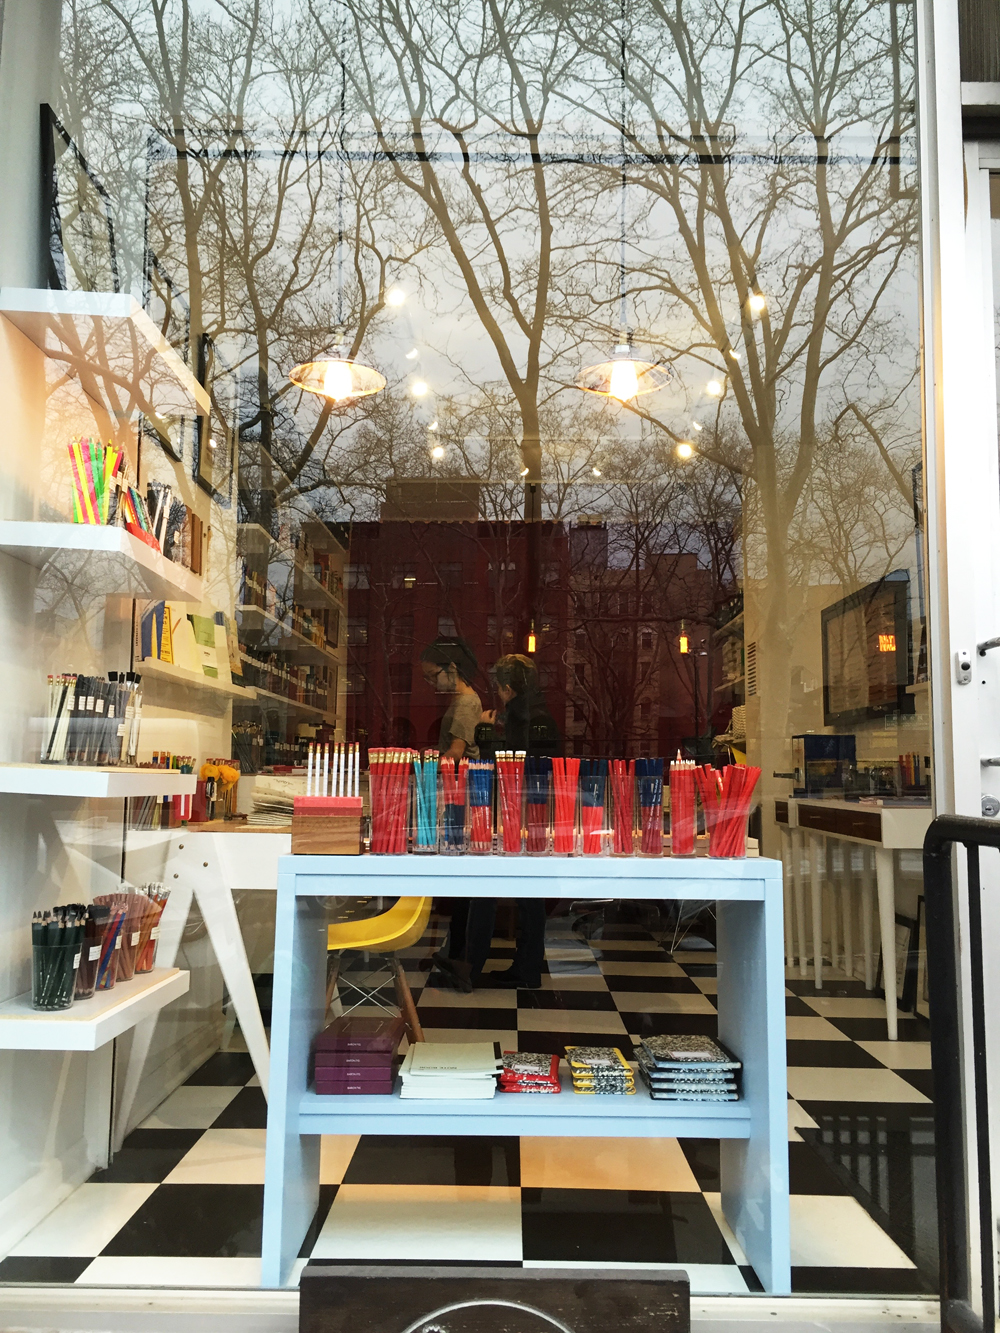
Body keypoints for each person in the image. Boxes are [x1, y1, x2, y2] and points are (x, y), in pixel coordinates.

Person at [435, 653, 559, 992]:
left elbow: (505, 765)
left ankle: (469, 967)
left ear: (507, 687)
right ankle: (524, 968)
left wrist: (485, 731)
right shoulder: (540, 715)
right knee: (529, 894)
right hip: (533, 813)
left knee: (485, 887)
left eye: (500, 687)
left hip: (511, 813)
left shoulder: (521, 718)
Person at [419, 637, 482, 759]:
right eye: (427, 677)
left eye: (434, 675)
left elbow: (456, 753)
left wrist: (426, 767)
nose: (431, 682)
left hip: (457, 770)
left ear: (452, 668)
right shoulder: (458, 699)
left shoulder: (465, 703)